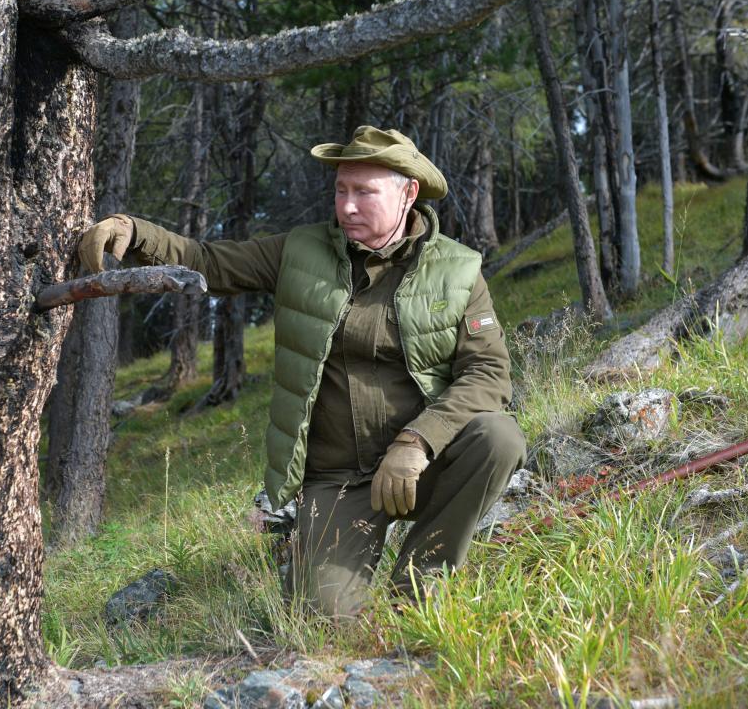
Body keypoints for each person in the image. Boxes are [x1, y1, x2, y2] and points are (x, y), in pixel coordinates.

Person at [78, 125, 526, 617]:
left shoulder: (458, 270)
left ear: (408, 193)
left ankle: (418, 591)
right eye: (340, 191)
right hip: (336, 478)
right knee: (325, 619)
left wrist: (418, 441)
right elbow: (209, 261)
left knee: (497, 437)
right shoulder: (301, 251)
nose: (348, 206)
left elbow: (488, 373)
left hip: (424, 465)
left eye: (364, 192)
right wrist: (135, 232)